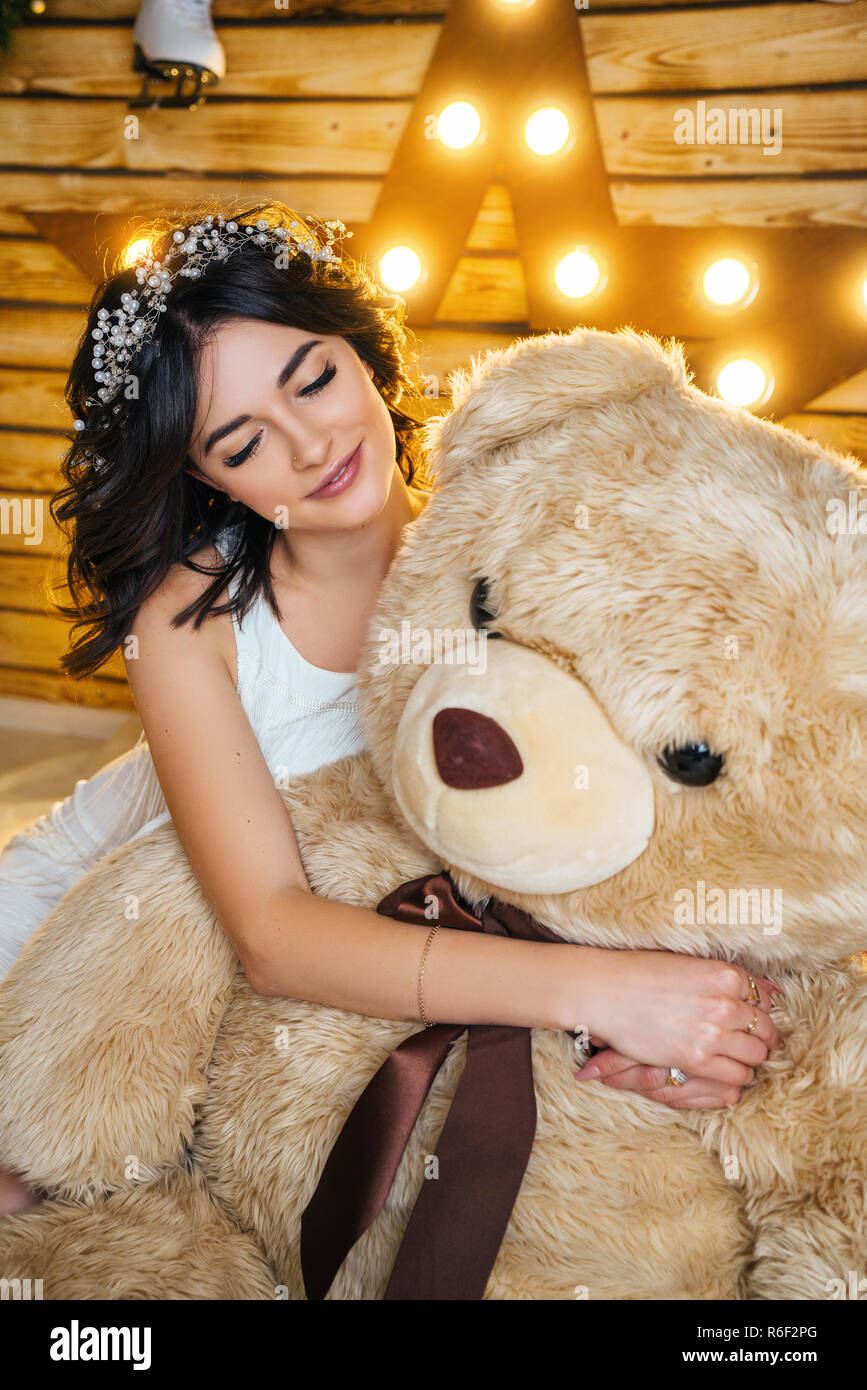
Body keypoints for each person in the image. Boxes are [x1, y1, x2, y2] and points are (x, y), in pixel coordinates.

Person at [0, 200, 783, 1219]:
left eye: (314, 378)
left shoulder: (517, 536)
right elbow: (274, 934)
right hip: (114, 923)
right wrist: (602, 992)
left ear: (361, 350)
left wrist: (695, 1018)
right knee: (44, 1197)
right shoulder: (194, 616)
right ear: (204, 477)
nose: (310, 443)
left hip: (367, 941)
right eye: (243, 442)